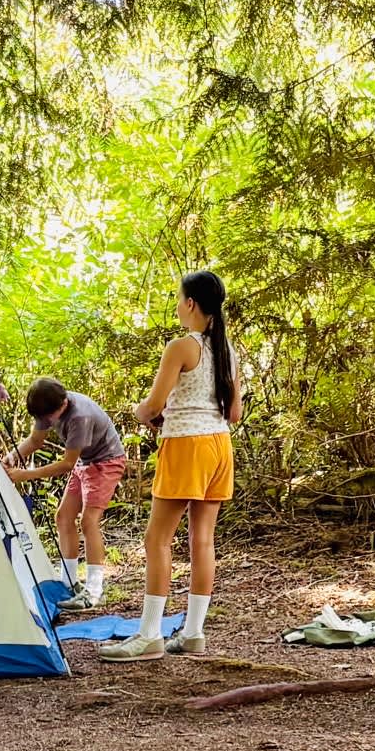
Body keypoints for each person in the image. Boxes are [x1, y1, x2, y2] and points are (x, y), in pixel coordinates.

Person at [102, 270, 240, 659]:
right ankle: (193, 632)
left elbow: (153, 405)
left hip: (185, 446)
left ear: (191, 303)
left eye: (180, 299)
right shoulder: (230, 350)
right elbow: (234, 413)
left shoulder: (181, 346)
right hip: (219, 446)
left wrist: (139, 412)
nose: (178, 306)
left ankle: (149, 635)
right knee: (203, 540)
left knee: (157, 538)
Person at [5, 378, 127, 607]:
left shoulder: (80, 416)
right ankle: (69, 582)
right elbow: (35, 440)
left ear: (62, 404)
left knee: (89, 522)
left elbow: (66, 464)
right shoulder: (46, 407)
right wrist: (13, 457)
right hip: (85, 462)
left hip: (105, 462)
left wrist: (25, 475)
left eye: (47, 418)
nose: (45, 422)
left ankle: (93, 589)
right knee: (63, 517)